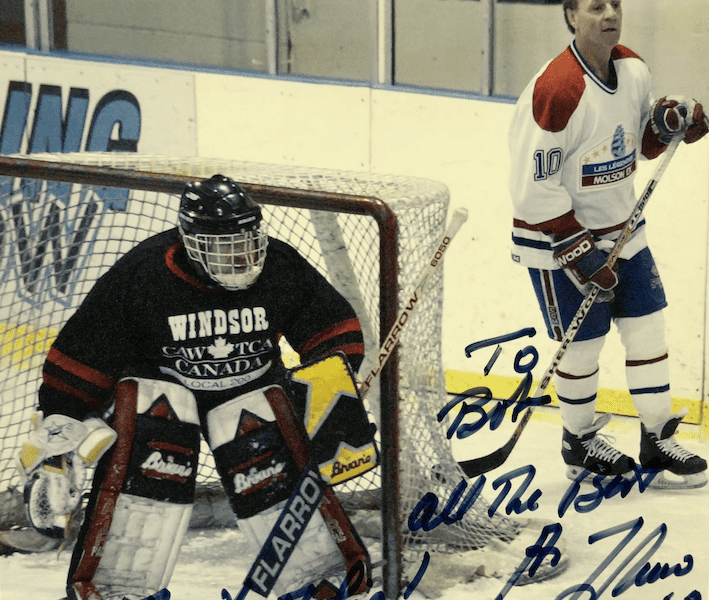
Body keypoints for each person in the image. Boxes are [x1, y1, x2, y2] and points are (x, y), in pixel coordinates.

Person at [15, 174, 371, 600]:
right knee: (154, 417)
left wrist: (329, 388)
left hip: (250, 394)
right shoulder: (144, 273)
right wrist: (59, 439)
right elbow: (83, 353)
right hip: (166, 397)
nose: (240, 258)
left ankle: (320, 579)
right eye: (225, 248)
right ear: (191, 243)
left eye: (246, 243)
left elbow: (333, 329)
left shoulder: (279, 265)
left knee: (267, 418)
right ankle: (114, 587)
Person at [508, 0, 709, 489]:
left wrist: (666, 122)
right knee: (583, 347)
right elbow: (532, 187)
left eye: (615, 4)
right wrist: (580, 253)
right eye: (596, 7)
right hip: (557, 240)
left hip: (623, 230)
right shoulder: (558, 89)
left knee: (647, 332)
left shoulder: (632, 67)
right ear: (572, 15)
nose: (610, 14)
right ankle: (578, 441)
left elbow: (638, 141)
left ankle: (657, 439)